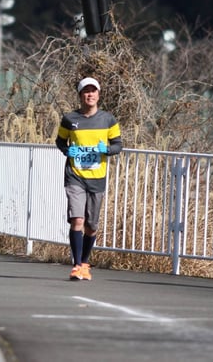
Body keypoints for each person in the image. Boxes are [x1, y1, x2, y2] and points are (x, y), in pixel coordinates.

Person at [55, 77, 122, 281]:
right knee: (77, 220)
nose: (90, 94)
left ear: (98, 95)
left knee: (91, 226)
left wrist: (108, 150)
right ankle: (76, 265)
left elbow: (118, 145)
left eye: (93, 91)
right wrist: (68, 150)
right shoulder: (69, 119)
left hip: (97, 178)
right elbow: (59, 141)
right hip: (75, 175)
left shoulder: (108, 119)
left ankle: (84, 263)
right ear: (80, 95)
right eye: (86, 91)